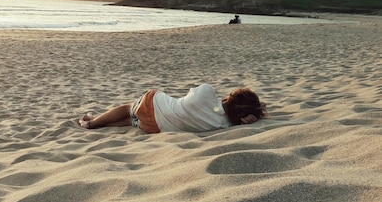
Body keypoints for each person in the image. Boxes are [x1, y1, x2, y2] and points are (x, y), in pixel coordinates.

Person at [79, 84, 267, 133]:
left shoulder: (207, 93)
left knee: (129, 108)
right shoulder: (224, 125)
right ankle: (100, 122)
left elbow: (190, 94)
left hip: (153, 104)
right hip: (156, 128)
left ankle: (92, 123)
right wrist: (245, 122)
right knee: (132, 121)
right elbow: (227, 117)